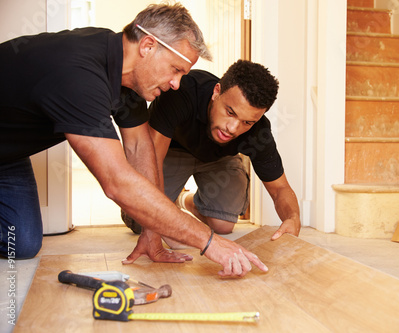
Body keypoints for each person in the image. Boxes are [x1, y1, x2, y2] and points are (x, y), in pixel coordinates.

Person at [0, 3, 268, 277]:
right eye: (175, 69)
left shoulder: (127, 78)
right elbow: (117, 182)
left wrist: (153, 232)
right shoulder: (79, 74)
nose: (176, 84)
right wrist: (209, 241)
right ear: (148, 46)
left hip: (9, 156)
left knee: (22, 243)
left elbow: (140, 148)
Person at [123, 60, 301, 250]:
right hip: (172, 150)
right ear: (217, 91)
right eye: (230, 112)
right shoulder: (182, 93)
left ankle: (185, 201)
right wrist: (171, 225)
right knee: (141, 221)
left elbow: (280, 188)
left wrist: (293, 218)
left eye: (247, 122)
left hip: (218, 158)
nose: (232, 128)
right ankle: (169, 203)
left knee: (222, 225)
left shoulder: (258, 131)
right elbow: (151, 162)